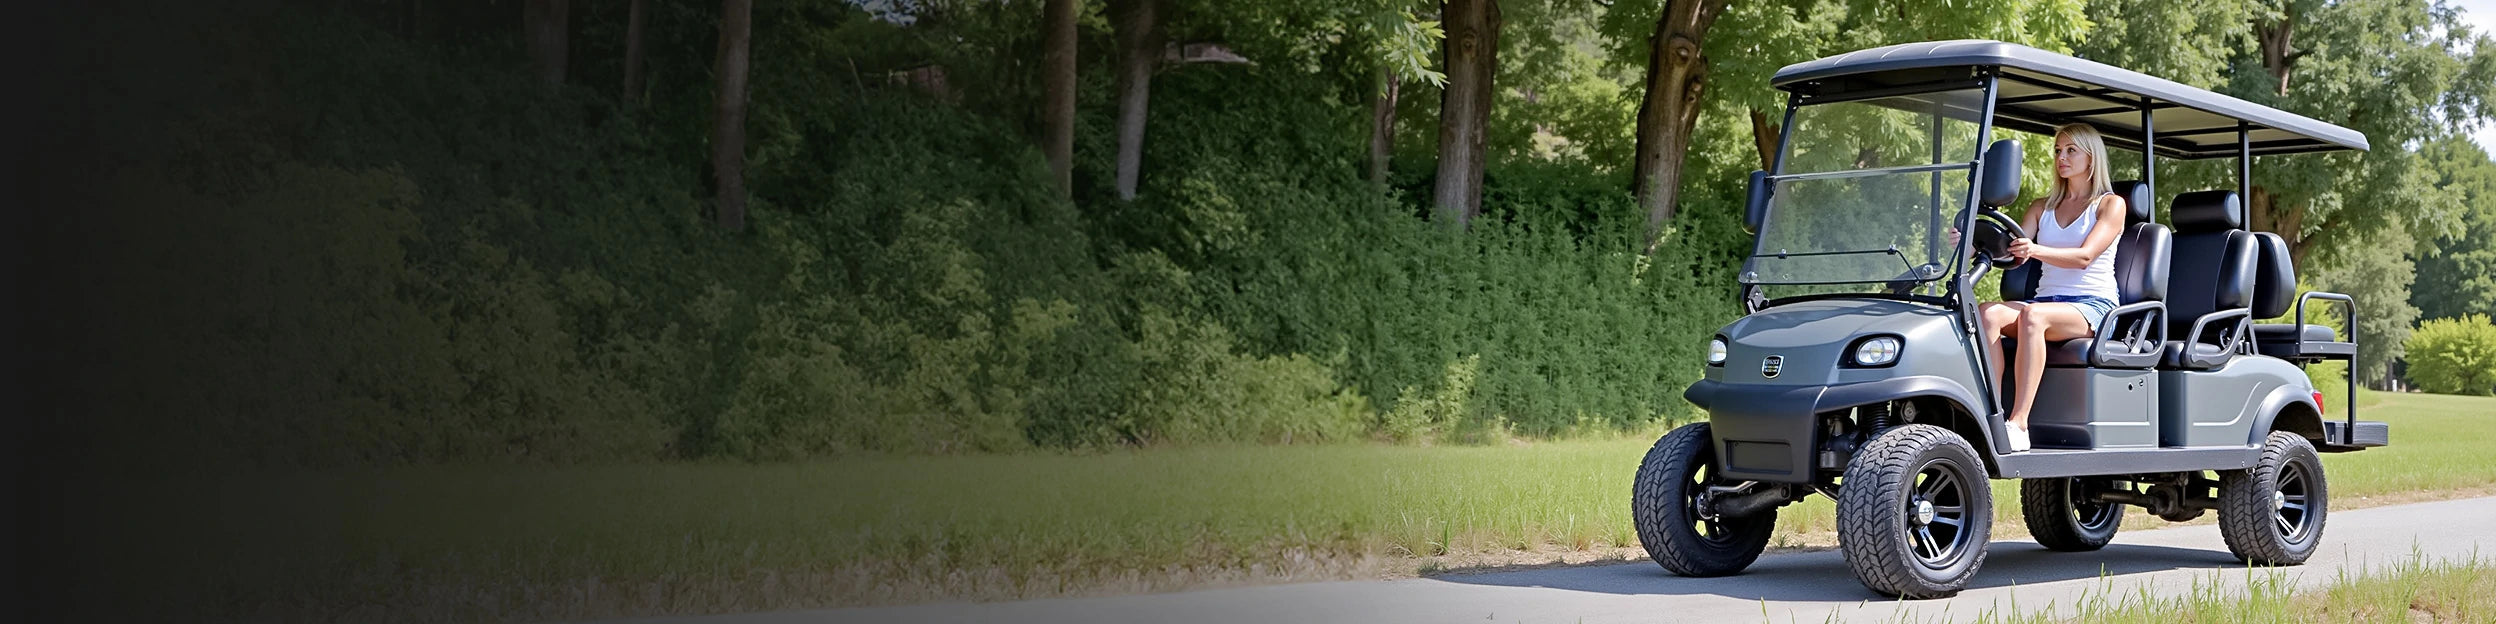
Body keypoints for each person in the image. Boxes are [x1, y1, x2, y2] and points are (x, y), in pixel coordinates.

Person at [1958, 123, 2128, 453]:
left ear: (2091, 157)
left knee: (2034, 316)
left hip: (2093, 306)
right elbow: (2012, 252)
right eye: (2058, 151)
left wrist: (2034, 249)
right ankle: (1991, 417)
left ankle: (2019, 423)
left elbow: (2085, 257)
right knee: (1988, 313)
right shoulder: (2042, 206)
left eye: (2071, 151)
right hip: (2047, 302)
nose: (2061, 157)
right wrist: (1971, 244)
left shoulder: (2110, 205)